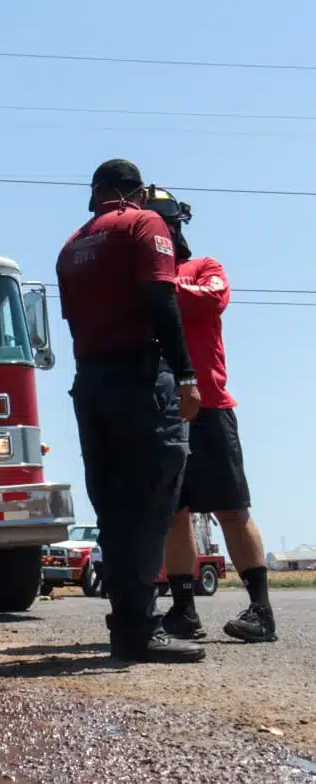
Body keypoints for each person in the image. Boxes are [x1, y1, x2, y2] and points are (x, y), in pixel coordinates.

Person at [55, 159, 204, 663]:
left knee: (113, 506)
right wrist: (186, 375)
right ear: (135, 192)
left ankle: (127, 624)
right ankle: (141, 628)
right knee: (152, 499)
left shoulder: (72, 246)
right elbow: (162, 302)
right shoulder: (144, 224)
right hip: (141, 381)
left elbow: (75, 320)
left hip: (91, 383)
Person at [147, 187, 277, 644]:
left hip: (211, 405)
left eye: (165, 225)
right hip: (163, 410)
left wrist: (160, 285)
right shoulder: (141, 281)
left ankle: (261, 611)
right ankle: (184, 612)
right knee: (174, 512)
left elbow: (211, 299)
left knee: (232, 509)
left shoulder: (204, 268)